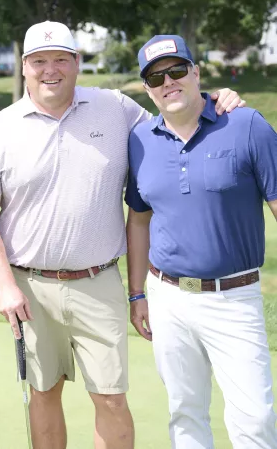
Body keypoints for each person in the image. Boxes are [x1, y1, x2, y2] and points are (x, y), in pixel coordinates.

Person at [0, 20, 243, 449]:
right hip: (29, 287)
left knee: (112, 399)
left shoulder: (115, 108)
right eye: (39, 61)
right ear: (24, 67)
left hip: (99, 282)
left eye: (61, 58)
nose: (50, 70)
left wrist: (215, 99)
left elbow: (172, 122)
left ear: (77, 63)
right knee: (43, 395)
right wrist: (4, 286)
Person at [125, 35, 277, 448]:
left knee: (256, 419)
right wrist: (137, 294)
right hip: (167, 297)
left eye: (176, 70)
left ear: (196, 72)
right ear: (147, 88)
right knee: (185, 414)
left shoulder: (247, 125)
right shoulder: (140, 141)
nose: (168, 82)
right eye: (156, 77)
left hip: (234, 297)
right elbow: (138, 221)